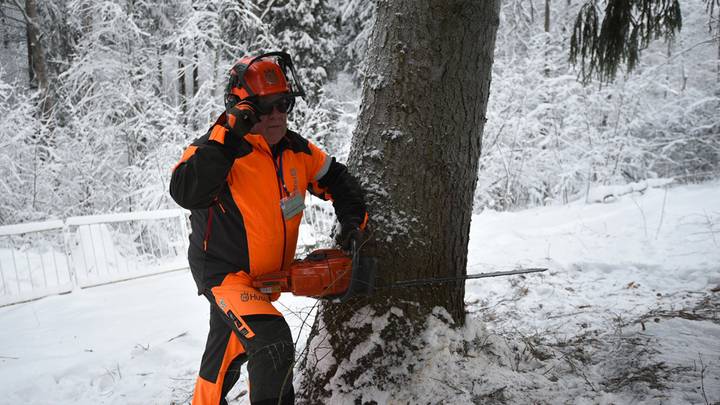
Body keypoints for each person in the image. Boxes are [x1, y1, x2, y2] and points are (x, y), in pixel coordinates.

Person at [169, 51, 368, 405]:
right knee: (273, 343)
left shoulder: (296, 150)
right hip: (224, 275)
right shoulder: (217, 150)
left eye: (285, 103)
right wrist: (228, 134)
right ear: (243, 108)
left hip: (265, 278)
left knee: (226, 350)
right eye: (267, 106)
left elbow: (338, 179)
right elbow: (186, 191)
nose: (277, 114)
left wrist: (353, 223)